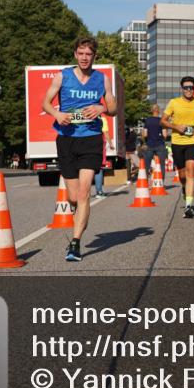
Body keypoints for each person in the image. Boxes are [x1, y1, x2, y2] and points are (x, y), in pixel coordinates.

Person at [42, 35, 117, 262]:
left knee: (85, 192)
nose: (85, 58)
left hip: (91, 139)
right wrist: (57, 113)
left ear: (94, 56)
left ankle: (75, 243)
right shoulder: (63, 76)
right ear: (75, 54)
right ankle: (80, 216)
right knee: (73, 197)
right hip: (66, 139)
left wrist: (100, 107)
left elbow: (113, 109)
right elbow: (45, 102)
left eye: (89, 54)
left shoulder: (102, 79)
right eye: (81, 53)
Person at [162, 76, 194, 218]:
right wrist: (176, 126)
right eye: (186, 87)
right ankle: (184, 188)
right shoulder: (174, 103)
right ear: (182, 88)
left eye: (191, 87)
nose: (189, 90)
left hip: (193, 141)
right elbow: (163, 121)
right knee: (182, 175)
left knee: (191, 171)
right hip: (177, 142)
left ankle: (188, 206)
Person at [141, 105, 168, 180]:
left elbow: (145, 134)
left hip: (149, 144)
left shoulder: (148, 120)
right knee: (161, 165)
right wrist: (162, 140)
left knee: (147, 164)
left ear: (151, 110)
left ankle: (145, 182)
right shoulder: (162, 121)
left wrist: (144, 141)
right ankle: (161, 183)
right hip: (160, 144)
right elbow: (165, 135)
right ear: (158, 110)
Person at [93, 116, 114, 198]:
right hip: (99, 143)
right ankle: (99, 191)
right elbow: (105, 132)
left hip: (85, 143)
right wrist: (111, 144)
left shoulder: (84, 116)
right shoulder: (102, 119)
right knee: (99, 167)